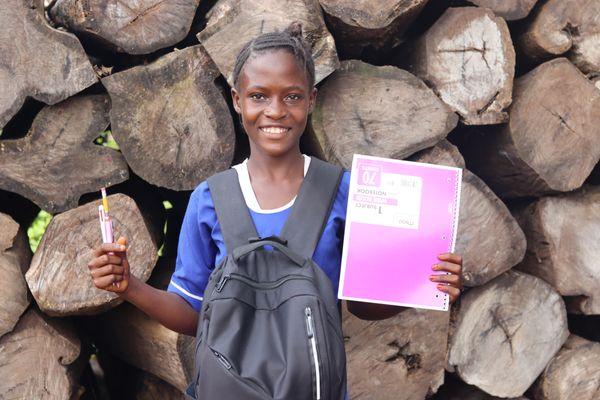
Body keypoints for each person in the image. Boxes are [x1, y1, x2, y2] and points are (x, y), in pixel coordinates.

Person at [88, 21, 463, 396]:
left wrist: (423, 283)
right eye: (259, 96)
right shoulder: (210, 200)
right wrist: (130, 288)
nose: (276, 110)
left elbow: (360, 305)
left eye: (292, 97)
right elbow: (194, 315)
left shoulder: (343, 192)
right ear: (237, 100)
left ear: (311, 99)